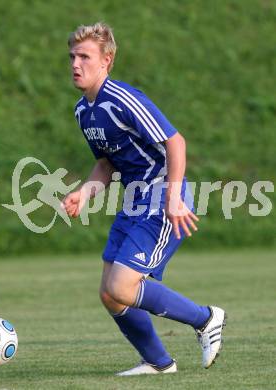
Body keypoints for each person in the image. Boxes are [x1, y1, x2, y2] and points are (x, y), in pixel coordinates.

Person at [63, 22, 226, 376]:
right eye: (73, 56)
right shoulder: (83, 111)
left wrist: (173, 196)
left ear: (106, 60)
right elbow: (105, 165)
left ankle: (206, 319)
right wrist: (85, 192)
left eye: (85, 57)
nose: (76, 64)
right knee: (110, 294)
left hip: (164, 195)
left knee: (122, 285)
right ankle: (158, 362)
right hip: (135, 201)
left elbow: (175, 142)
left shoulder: (122, 100)